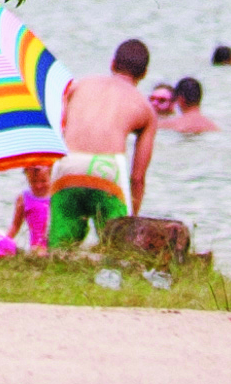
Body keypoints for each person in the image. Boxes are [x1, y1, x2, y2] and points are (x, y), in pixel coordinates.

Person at [50, 38, 160, 249]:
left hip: (68, 164)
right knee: (116, 249)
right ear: (144, 73)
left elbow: (57, 128)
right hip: (107, 170)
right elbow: (137, 178)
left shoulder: (79, 85)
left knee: (60, 246)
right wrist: (131, 221)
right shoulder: (146, 109)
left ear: (112, 63)